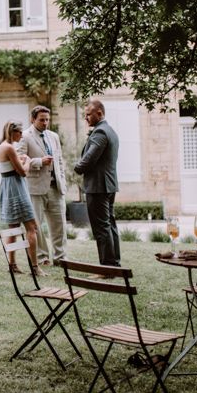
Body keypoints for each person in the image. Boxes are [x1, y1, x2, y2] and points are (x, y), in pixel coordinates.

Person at [74, 98, 121, 267]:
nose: (86, 118)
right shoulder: (111, 131)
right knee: (109, 224)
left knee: (101, 228)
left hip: (98, 187)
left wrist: (76, 167)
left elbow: (87, 161)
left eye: (88, 115)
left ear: (99, 113)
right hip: (108, 185)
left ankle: (108, 267)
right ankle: (114, 263)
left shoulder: (100, 133)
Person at [20, 105, 68, 267]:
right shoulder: (25, 136)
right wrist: (39, 162)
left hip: (56, 187)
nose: (45, 123)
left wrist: (63, 181)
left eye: (47, 119)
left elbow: (60, 160)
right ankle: (42, 257)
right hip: (35, 187)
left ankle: (61, 257)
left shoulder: (53, 136)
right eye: (42, 120)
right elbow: (20, 160)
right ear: (33, 119)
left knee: (59, 224)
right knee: (36, 225)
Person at [0, 121, 41, 275]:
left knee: (13, 228)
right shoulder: (9, 147)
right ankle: (35, 267)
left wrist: (20, 161)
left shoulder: (1, 146)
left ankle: (12, 264)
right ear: (12, 132)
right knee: (31, 226)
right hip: (16, 188)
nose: (21, 135)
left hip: (7, 188)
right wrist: (27, 161)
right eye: (19, 132)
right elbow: (23, 172)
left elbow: (10, 168)